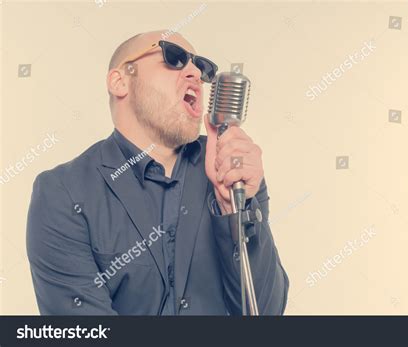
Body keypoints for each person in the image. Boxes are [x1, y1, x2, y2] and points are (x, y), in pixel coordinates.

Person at [26, 30, 289, 315]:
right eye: (174, 58)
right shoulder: (63, 192)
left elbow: (264, 311)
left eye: (201, 67)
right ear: (120, 81)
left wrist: (232, 208)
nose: (194, 74)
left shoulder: (233, 172)